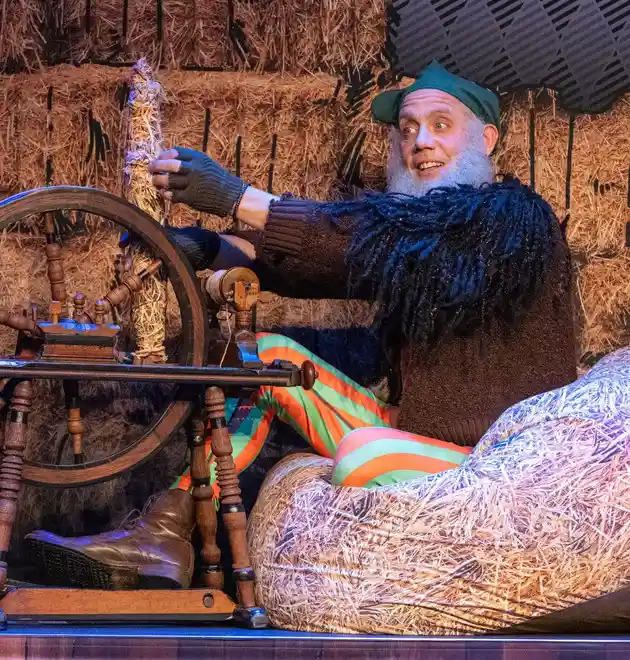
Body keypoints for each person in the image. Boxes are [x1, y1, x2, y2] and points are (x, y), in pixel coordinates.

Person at [24, 61, 577, 590]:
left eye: (440, 125)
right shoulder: (416, 244)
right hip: (421, 439)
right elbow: (338, 260)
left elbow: (368, 237)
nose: (420, 142)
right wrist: (215, 247)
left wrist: (240, 199)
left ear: (487, 139)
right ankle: (162, 534)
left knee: (365, 454)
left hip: (497, 467)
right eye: (408, 129)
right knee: (269, 360)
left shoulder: (517, 219)